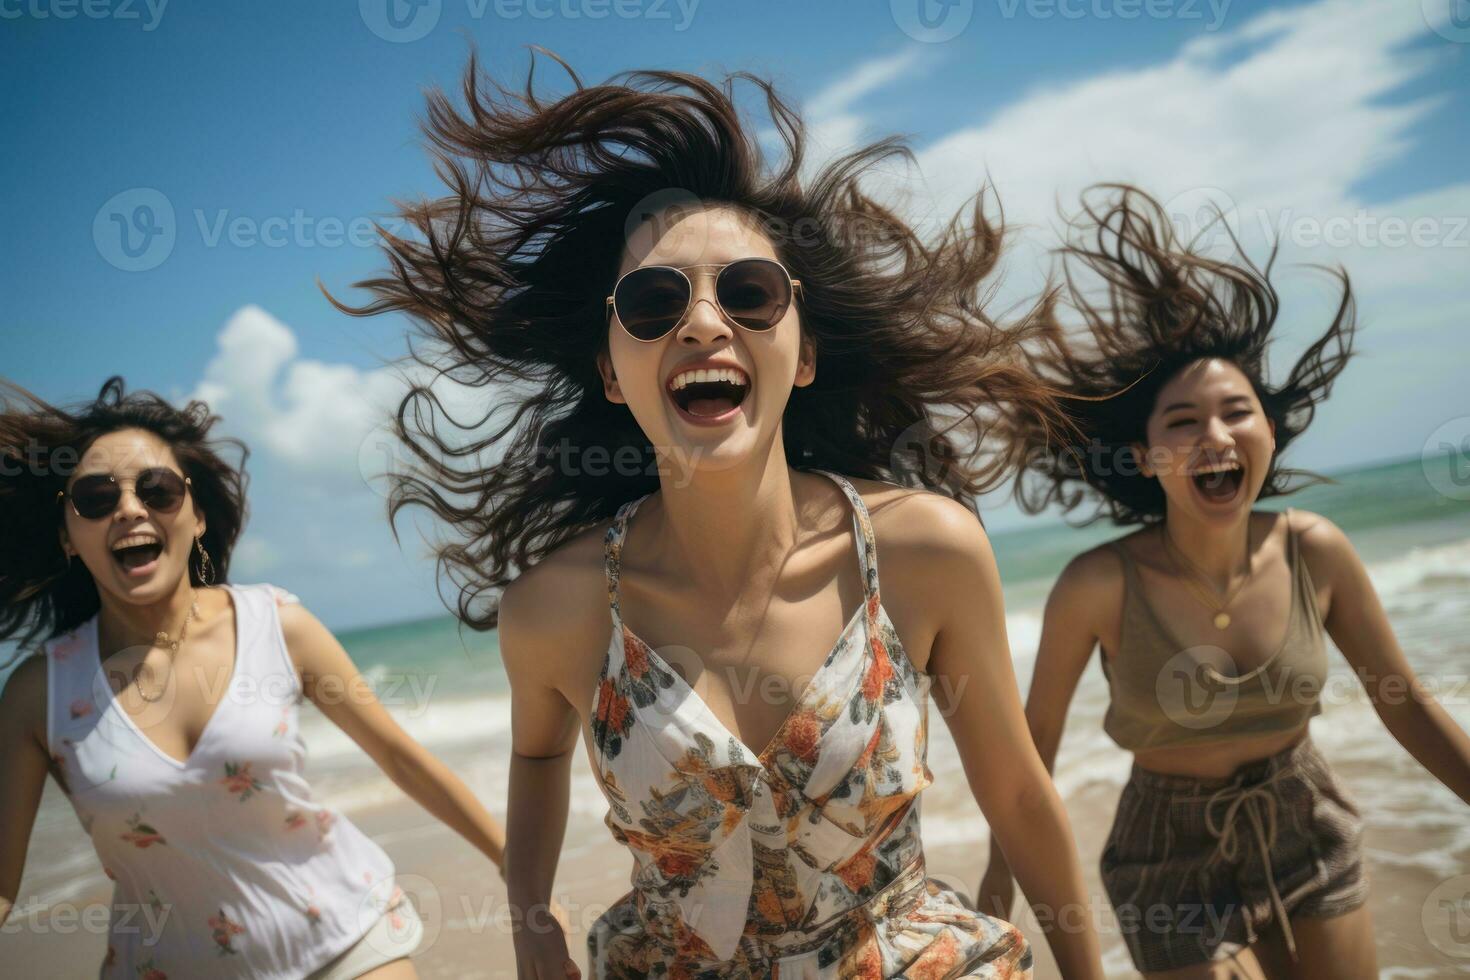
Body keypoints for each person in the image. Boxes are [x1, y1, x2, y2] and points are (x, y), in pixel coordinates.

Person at [339, 51, 1107, 978]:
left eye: (747, 293)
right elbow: (538, 756)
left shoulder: (922, 553)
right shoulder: (558, 609)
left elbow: (1019, 797)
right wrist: (531, 922)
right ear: (610, 374)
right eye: (656, 302)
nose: (705, 323)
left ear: (806, 349)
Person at [978, 185, 1470, 978]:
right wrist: (997, 892)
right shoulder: (1098, 584)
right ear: (1142, 457)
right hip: (1164, 847)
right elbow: (1031, 746)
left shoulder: (1317, 551)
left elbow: (1401, 700)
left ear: (1268, 433)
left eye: (1237, 412)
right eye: (1182, 421)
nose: (1215, 435)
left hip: (1303, 816)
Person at [0, 377, 515, 979]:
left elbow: (400, 759)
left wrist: (520, 874)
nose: (131, 509)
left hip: (345, 937)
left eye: (158, 489)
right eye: (95, 497)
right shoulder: (41, 693)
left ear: (195, 517)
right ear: (68, 534)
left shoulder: (276, 626)